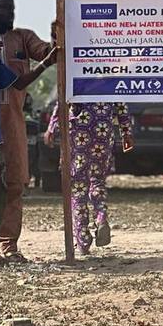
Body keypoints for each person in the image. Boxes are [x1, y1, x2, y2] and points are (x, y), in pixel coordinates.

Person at [0, 0, 53, 263]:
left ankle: (8, 245)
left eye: (12, 9)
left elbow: (47, 54)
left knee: (13, 184)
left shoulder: (21, 38)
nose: (10, 14)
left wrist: (56, 42)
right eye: (4, 9)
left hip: (9, 125)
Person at [45, 100, 132, 255]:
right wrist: (126, 133)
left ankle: (83, 239)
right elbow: (121, 103)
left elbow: (63, 96)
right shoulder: (112, 77)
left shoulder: (74, 74)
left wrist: (52, 127)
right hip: (103, 128)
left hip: (79, 128)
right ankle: (101, 216)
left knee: (78, 187)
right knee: (97, 179)